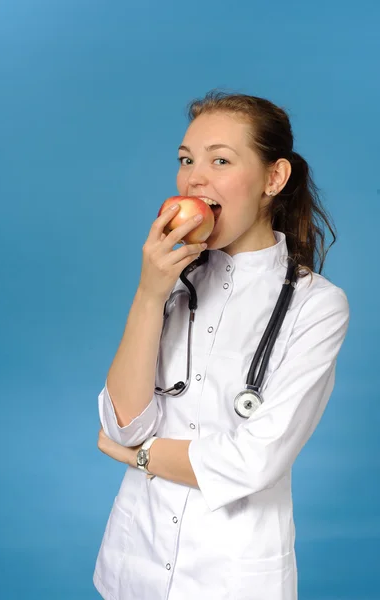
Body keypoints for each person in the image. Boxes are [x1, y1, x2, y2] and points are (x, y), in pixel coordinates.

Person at [92, 91, 350, 600]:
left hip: (230, 577)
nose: (194, 178)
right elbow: (121, 423)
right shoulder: (169, 284)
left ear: (273, 180)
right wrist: (148, 294)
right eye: (187, 160)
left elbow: (251, 463)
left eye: (221, 160)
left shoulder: (316, 307)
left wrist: (137, 457)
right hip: (133, 566)